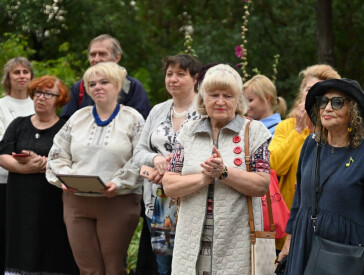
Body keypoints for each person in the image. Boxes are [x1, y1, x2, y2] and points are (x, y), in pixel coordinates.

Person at [162, 64, 272, 274]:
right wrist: (203, 179)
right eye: (214, 95)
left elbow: (261, 185)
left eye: (228, 96)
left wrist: (224, 173)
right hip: (191, 242)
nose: (220, 101)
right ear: (203, 98)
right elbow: (169, 185)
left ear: (238, 100)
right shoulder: (188, 131)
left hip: (237, 241)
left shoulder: (254, 132)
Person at [46, 62, 144, 275]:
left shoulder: (133, 118)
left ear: (117, 85)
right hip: (76, 202)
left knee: (113, 268)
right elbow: (56, 154)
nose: (97, 87)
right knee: (88, 269)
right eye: (92, 84)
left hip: (117, 201)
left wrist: (118, 183)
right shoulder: (78, 117)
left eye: (104, 82)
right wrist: (66, 178)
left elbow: (140, 158)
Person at [278, 78, 364, 274]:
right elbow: (299, 197)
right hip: (304, 241)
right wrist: (288, 243)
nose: (327, 108)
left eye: (337, 102)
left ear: (354, 110)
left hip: (344, 249)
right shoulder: (311, 144)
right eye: (323, 102)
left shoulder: (361, 153)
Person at [0, 75, 77, 274]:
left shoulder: (65, 127)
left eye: (48, 94)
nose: (41, 98)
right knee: (20, 243)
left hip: (52, 199)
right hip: (20, 199)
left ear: (59, 99)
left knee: (51, 243)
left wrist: (45, 164)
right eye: (37, 93)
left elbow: (71, 160)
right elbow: (3, 156)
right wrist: (29, 168)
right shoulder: (18, 124)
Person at [134, 54, 201, 275]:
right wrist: (156, 160)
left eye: (180, 74)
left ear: (195, 78)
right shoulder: (157, 111)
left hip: (194, 198)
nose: (173, 79)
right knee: (164, 267)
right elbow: (138, 152)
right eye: (169, 74)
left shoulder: (205, 111)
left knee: (194, 265)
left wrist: (174, 170)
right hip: (160, 202)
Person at [268, 65, 340, 252]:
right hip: (286, 227)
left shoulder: (338, 132)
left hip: (326, 229)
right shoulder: (286, 127)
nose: (315, 96)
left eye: (322, 92)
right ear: (302, 94)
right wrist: (299, 131)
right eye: (310, 90)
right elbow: (274, 166)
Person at [61, 34, 151, 120]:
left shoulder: (133, 87)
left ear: (117, 58)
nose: (96, 59)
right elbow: (66, 123)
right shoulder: (79, 87)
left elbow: (141, 126)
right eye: (92, 55)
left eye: (102, 54)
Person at [0, 57, 35, 273]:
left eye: (25, 72)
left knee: (26, 234)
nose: (22, 76)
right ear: (8, 78)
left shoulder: (38, 102)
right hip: (3, 180)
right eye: (16, 72)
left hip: (34, 181)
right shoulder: (1, 105)